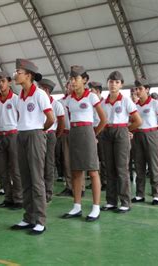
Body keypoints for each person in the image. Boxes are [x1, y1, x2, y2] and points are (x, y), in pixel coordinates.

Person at [9, 59, 54, 235]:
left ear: (28, 75)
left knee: (36, 179)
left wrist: (40, 131)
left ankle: (40, 220)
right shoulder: (20, 95)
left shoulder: (40, 94)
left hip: (35, 134)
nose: (15, 75)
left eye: (18, 72)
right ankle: (28, 217)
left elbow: (50, 118)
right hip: (21, 135)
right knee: (25, 177)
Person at [62, 65, 106, 222]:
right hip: (74, 133)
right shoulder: (68, 99)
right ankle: (77, 206)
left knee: (93, 171)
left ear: (84, 80)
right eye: (71, 79)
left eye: (76, 79)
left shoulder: (91, 97)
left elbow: (103, 119)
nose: (73, 81)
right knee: (76, 171)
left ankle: (95, 207)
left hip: (87, 131)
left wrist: (93, 134)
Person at [100, 71, 142, 214]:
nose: (113, 84)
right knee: (109, 168)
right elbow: (100, 120)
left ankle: (125, 202)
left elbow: (138, 121)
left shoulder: (126, 101)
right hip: (106, 133)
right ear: (107, 83)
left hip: (120, 132)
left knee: (121, 168)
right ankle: (111, 201)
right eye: (111, 81)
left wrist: (126, 130)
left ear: (121, 85)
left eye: (117, 82)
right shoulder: (102, 103)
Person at [132, 78, 158, 205]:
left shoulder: (154, 103)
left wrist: (155, 130)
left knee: (154, 165)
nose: (138, 91)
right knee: (139, 165)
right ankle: (139, 194)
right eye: (136, 89)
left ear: (147, 89)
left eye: (140, 89)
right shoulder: (135, 106)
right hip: (138, 135)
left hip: (151, 134)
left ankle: (156, 194)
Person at [0, 71, 23, 209]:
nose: (0, 84)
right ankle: (8, 197)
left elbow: (20, 117)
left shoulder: (15, 99)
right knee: (3, 169)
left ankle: (19, 199)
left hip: (13, 135)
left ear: (9, 82)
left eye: (3, 81)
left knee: (15, 169)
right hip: (1, 135)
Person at [38, 78, 65, 203]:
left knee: (48, 164)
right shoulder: (38, 100)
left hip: (49, 135)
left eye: (40, 87)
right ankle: (39, 191)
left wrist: (55, 135)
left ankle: (47, 193)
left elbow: (61, 124)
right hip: (38, 134)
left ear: (46, 90)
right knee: (38, 163)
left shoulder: (56, 105)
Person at [88, 81, 107, 191]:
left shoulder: (104, 104)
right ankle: (96, 181)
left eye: (92, 90)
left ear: (98, 91)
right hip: (92, 129)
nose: (90, 92)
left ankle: (105, 181)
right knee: (94, 158)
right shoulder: (90, 102)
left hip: (102, 131)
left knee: (103, 158)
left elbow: (105, 119)